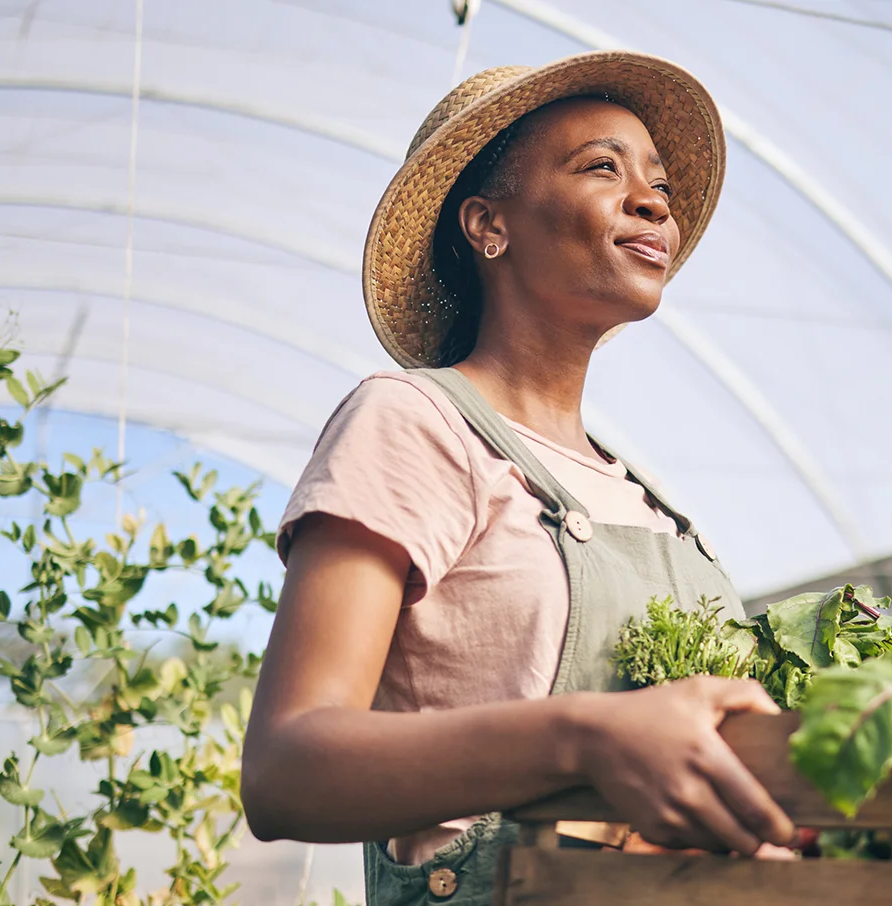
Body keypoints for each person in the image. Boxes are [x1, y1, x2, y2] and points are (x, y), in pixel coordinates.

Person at [241, 51, 795, 906]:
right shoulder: (417, 424)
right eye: (602, 167)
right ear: (486, 225)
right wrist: (586, 738)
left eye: (661, 187)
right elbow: (287, 770)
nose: (652, 199)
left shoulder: (645, 498)